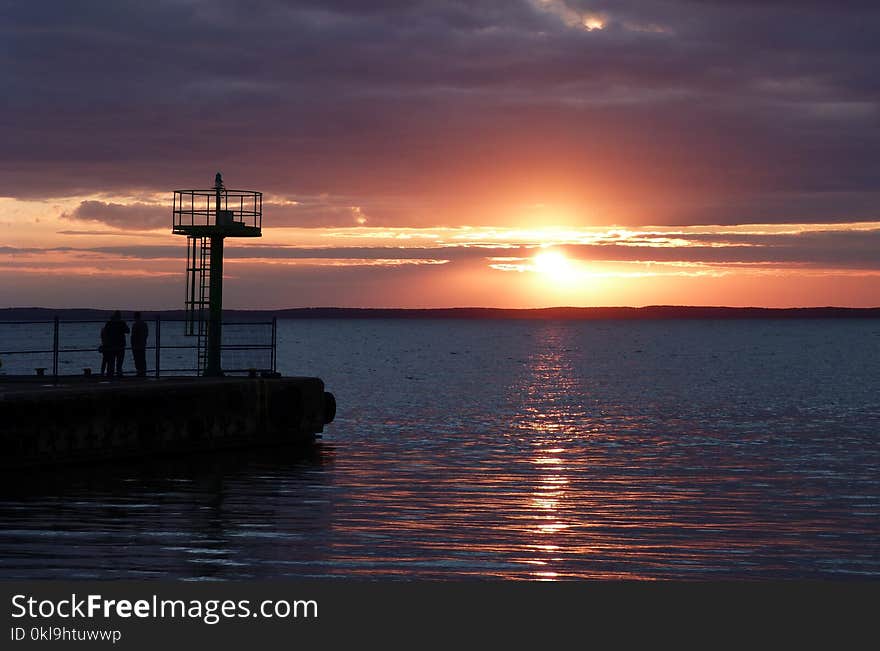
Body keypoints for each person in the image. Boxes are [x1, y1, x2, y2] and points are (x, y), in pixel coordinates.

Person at [103, 310, 130, 377]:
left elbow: (105, 332)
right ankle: (118, 374)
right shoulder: (122, 323)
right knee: (119, 362)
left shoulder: (110, 323)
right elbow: (128, 331)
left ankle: (110, 374)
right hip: (120, 345)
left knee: (111, 362)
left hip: (112, 345)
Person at [130, 312, 149, 377]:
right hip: (142, 344)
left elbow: (133, 336)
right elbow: (146, 334)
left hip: (136, 345)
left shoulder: (135, 325)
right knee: (142, 359)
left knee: (137, 359)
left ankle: (139, 372)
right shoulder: (144, 324)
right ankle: (143, 372)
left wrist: (132, 344)